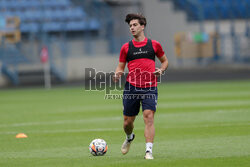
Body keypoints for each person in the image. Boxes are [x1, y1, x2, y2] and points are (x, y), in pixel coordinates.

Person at [113, 13, 168, 159]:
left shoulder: (154, 45)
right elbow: (120, 67)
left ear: (142, 26)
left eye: (135, 25)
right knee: (127, 122)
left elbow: (165, 61)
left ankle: (148, 151)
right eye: (130, 25)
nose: (132, 27)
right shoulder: (126, 47)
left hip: (150, 87)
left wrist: (161, 70)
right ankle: (129, 137)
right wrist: (118, 73)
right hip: (131, 88)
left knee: (148, 117)